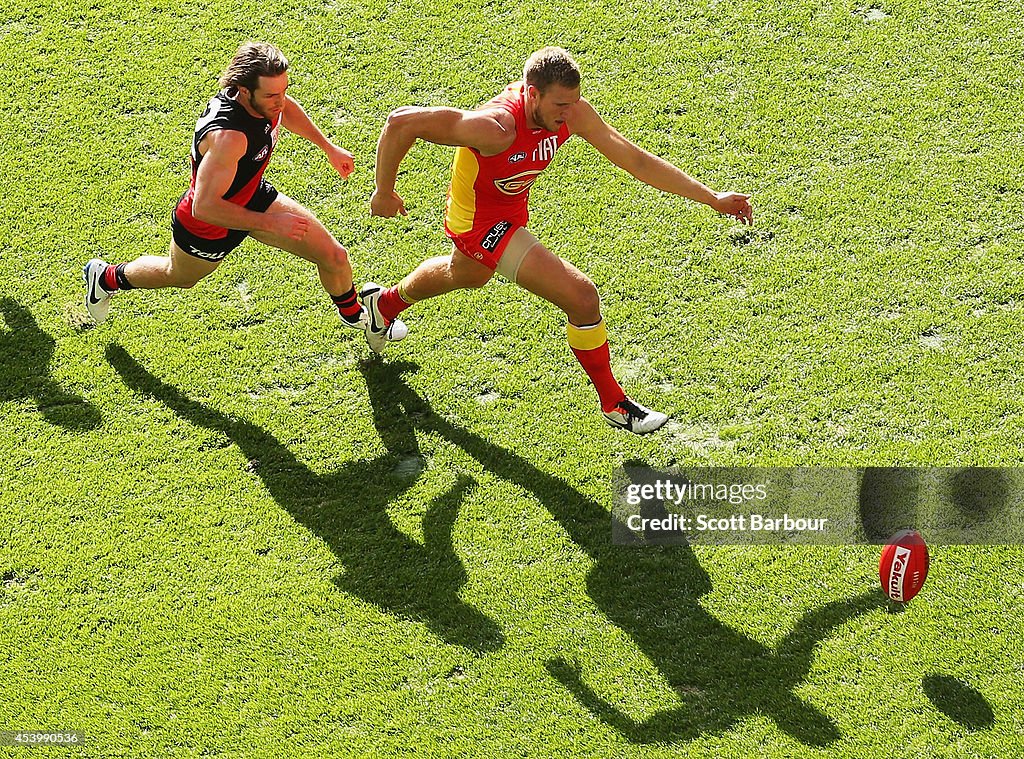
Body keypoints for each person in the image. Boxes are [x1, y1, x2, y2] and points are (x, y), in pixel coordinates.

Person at [363, 47, 752, 434]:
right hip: (479, 223)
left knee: (465, 273)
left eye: (574, 102)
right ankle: (614, 403)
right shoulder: (495, 128)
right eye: (561, 105)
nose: (569, 113)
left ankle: (383, 304)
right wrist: (384, 191)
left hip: (508, 208)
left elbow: (637, 161)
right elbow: (401, 122)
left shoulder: (572, 111)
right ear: (532, 94)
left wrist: (711, 198)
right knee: (582, 297)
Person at [82, 41, 405, 344]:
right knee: (179, 275)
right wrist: (271, 224)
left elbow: (285, 108)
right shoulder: (229, 138)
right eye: (270, 96)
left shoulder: (260, 102)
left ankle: (361, 318)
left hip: (252, 197)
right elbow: (203, 206)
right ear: (242, 91)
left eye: (283, 90)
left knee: (334, 256)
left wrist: (327, 147)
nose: (278, 101)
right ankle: (106, 278)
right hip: (209, 223)